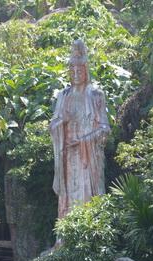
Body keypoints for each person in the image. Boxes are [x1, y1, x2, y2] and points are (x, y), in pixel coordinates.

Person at [49, 39, 111, 222]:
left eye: (80, 70)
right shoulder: (63, 96)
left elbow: (105, 128)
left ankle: (89, 236)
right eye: (72, 71)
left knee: (86, 195)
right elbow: (53, 126)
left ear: (86, 71)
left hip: (88, 159)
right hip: (67, 157)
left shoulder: (96, 95)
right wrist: (62, 122)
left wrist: (85, 140)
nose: (76, 74)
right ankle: (66, 238)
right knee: (68, 198)